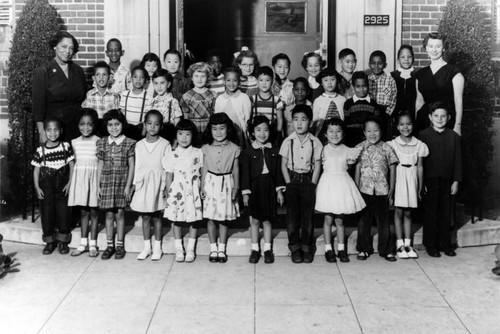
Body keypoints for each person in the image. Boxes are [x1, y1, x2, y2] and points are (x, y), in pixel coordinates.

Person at [316, 118, 365, 263]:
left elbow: (349, 167)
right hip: (328, 186)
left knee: (340, 220)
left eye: (338, 131)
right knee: (328, 219)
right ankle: (328, 249)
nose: (334, 135)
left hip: (342, 185)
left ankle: (342, 249)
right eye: (331, 131)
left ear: (343, 134)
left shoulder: (347, 150)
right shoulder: (323, 150)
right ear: (325, 134)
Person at [280, 105, 323, 264]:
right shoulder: (288, 141)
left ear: (310, 122)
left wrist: (313, 183)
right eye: (296, 119)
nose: (299, 123)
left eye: (303, 119)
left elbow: (317, 164)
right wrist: (288, 182)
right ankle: (295, 249)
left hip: (308, 181)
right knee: (292, 218)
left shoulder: (315, 142)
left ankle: (306, 248)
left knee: (307, 218)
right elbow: (283, 164)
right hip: (292, 181)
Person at [419, 102, 462, 257]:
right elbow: (420, 162)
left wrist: (456, 181)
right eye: (436, 115)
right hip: (430, 180)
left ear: (449, 118)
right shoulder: (423, 135)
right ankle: (431, 245)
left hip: (447, 180)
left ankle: (446, 244)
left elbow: (458, 160)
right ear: (430, 117)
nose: (440, 118)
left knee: (446, 213)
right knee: (431, 213)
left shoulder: (454, 137)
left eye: (443, 116)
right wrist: (421, 182)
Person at [241, 116, 285, 264]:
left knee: (267, 220)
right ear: (252, 132)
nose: (262, 134)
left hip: (269, 187)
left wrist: (279, 191)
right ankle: (254, 249)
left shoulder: (274, 149)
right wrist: (246, 193)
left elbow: (278, 173)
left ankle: (267, 249)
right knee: (254, 220)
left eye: (266, 130)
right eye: (258, 130)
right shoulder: (247, 152)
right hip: (254, 188)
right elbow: (245, 175)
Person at [355, 117, 398, 262]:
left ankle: (386, 250)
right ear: (364, 132)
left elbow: (392, 168)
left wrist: (392, 188)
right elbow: (357, 168)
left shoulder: (387, 148)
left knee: (383, 221)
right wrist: (356, 188)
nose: (372, 134)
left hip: (382, 190)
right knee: (364, 220)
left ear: (381, 131)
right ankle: (363, 249)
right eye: (369, 131)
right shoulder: (360, 147)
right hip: (365, 190)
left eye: (376, 130)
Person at [130, 110, 171, 261]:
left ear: (161, 126)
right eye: (149, 123)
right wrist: (134, 184)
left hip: (158, 183)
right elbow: (137, 166)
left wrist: (167, 187)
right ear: (144, 124)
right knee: (145, 217)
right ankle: (147, 247)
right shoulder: (139, 145)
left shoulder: (165, 144)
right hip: (143, 183)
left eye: (156, 124)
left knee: (157, 217)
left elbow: (168, 168)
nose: (152, 127)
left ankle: (158, 248)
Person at [33, 31, 87, 143]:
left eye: (71, 48)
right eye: (64, 46)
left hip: (77, 128)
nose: (67, 51)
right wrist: (41, 132)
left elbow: (83, 99)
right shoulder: (43, 71)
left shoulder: (78, 70)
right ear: (54, 46)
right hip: (54, 130)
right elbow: (38, 107)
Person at [388, 111, 429, 259]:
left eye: (409, 124)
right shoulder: (392, 145)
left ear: (413, 125)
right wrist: (391, 188)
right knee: (398, 211)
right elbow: (390, 167)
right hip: (399, 177)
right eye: (402, 124)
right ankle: (399, 244)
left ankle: (408, 244)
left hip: (412, 178)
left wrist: (420, 186)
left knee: (408, 212)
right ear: (397, 127)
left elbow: (420, 167)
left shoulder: (419, 145)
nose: (405, 127)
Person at [201, 113, 241, 263]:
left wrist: (236, 186)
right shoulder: (206, 148)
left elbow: (236, 169)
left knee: (223, 218)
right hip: (210, 183)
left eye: (222, 129)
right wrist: (202, 186)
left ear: (228, 129)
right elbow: (204, 167)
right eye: (215, 129)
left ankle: (222, 248)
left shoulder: (234, 148)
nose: (218, 133)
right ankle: (213, 248)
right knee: (211, 217)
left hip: (226, 183)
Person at [32, 118, 75, 255]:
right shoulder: (40, 150)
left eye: (56, 130)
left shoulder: (65, 146)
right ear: (44, 132)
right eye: (49, 130)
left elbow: (72, 165)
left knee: (63, 213)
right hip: (46, 186)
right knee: (47, 213)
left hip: (62, 186)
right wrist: (37, 187)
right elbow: (36, 170)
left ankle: (63, 241)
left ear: (60, 131)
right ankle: (50, 242)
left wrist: (70, 183)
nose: (52, 133)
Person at [97, 109, 136, 260]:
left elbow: (132, 165)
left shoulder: (129, 143)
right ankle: (109, 245)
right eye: (110, 125)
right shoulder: (102, 142)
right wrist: (97, 185)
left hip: (121, 182)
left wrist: (128, 186)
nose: (114, 128)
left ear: (122, 124)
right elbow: (100, 164)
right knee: (108, 214)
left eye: (117, 124)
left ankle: (120, 245)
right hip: (107, 181)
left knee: (120, 213)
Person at [164, 120, 203, 263]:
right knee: (177, 219)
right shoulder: (172, 154)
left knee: (194, 219)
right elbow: (169, 175)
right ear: (176, 136)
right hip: (177, 191)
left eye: (188, 134)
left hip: (193, 190)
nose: (184, 137)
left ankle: (191, 248)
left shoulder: (198, 153)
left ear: (193, 136)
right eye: (180, 134)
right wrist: (169, 192)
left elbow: (201, 172)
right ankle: (179, 248)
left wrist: (201, 188)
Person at [415, 32, 465, 135]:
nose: (434, 50)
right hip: (424, 121)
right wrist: (416, 124)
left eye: (438, 46)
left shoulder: (454, 72)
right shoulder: (420, 74)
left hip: (445, 121)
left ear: (443, 48)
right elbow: (419, 101)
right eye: (431, 46)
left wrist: (457, 125)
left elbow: (458, 100)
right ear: (426, 48)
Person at [68, 109, 100, 257]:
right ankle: (83, 243)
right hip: (80, 181)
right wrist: (71, 182)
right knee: (83, 211)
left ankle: (93, 244)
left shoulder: (99, 141)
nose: (85, 127)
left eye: (89, 124)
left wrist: (100, 183)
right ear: (78, 125)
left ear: (94, 125)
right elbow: (73, 164)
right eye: (82, 124)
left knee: (94, 211)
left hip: (94, 180)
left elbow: (101, 163)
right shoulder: (74, 142)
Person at [214, 67, 252, 147]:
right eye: (228, 80)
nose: (231, 84)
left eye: (234, 80)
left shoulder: (244, 97)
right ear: (224, 81)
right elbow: (217, 118)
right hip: (223, 133)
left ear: (239, 82)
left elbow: (247, 118)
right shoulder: (220, 98)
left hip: (239, 133)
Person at [344, 71, 381, 147]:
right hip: (352, 142)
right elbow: (346, 125)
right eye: (358, 86)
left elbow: (377, 124)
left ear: (368, 85)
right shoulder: (348, 104)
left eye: (364, 86)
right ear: (353, 86)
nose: (361, 89)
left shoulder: (373, 104)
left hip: (371, 141)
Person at [249, 66, 285, 143]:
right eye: (261, 80)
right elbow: (249, 118)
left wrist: (278, 136)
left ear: (272, 82)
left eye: (267, 80)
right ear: (257, 81)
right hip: (256, 136)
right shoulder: (252, 99)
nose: (264, 83)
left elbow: (280, 119)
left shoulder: (276, 100)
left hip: (272, 135)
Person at [180, 62, 217, 135]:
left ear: (207, 78)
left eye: (203, 76)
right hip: (192, 128)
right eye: (196, 76)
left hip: (208, 128)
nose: (199, 79)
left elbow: (215, 114)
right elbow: (186, 116)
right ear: (191, 77)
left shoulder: (213, 95)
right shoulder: (186, 96)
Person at [367, 50, 397, 139]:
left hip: (385, 113)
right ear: (369, 64)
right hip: (371, 112)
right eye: (373, 63)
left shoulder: (390, 80)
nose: (376, 66)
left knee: (385, 136)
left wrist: (387, 113)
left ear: (385, 65)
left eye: (380, 63)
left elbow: (393, 98)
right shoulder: (367, 80)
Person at [81, 62, 120, 128]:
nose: (101, 77)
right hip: (94, 128)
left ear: (109, 77)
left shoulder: (114, 95)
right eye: (98, 74)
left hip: (109, 129)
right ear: (93, 78)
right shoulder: (90, 95)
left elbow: (117, 116)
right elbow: (86, 114)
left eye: (104, 74)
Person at [119, 66, 153, 140]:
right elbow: (121, 114)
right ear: (131, 78)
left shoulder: (148, 97)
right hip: (126, 129)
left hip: (139, 130)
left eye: (141, 77)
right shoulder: (125, 94)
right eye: (135, 77)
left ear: (145, 80)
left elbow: (147, 117)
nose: (138, 80)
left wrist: (143, 134)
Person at [150, 69, 183, 144]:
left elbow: (177, 123)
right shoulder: (152, 102)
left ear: (168, 84)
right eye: (156, 83)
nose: (159, 86)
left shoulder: (173, 101)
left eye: (162, 83)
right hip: (154, 134)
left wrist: (175, 140)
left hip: (168, 134)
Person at [311, 67, 346, 136]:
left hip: (339, 134)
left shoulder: (342, 100)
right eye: (326, 80)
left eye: (332, 79)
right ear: (321, 82)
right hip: (323, 134)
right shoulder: (318, 101)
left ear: (337, 81)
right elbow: (315, 121)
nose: (329, 83)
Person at [391, 45, 417, 119]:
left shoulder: (418, 76)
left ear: (413, 59)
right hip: (395, 114)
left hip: (412, 114)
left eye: (409, 56)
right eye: (402, 57)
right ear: (398, 60)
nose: (406, 59)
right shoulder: (391, 76)